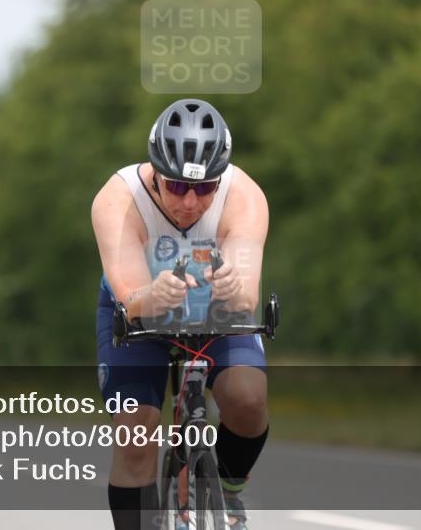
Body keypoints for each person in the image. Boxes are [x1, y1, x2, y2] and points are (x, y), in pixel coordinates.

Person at [91, 99, 270, 529]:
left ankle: (225, 491)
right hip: (142, 314)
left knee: (247, 398)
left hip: (215, 310)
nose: (191, 203)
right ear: (154, 173)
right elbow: (132, 300)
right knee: (137, 432)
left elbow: (245, 296)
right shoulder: (117, 199)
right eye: (176, 187)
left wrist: (233, 288)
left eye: (205, 188)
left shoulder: (243, 195)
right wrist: (154, 294)